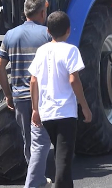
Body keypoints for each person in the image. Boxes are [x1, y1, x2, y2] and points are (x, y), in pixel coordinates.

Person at [28, 11, 92, 188]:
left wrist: (35, 109)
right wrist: (85, 107)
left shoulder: (41, 51)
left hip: (46, 113)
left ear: (48, 31)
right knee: (63, 162)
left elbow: (33, 80)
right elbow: (73, 79)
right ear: (69, 30)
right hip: (65, 113)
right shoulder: (71, 50)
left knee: (58, 158)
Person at [0, 0, 52, 188]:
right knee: (41, 140)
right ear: (43, 12)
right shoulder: (47, 34)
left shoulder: (10, 35)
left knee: (28, 140)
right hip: (42, 96)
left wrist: (8, 94)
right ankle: (36, 181)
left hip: (19, 96)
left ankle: (35, 177)